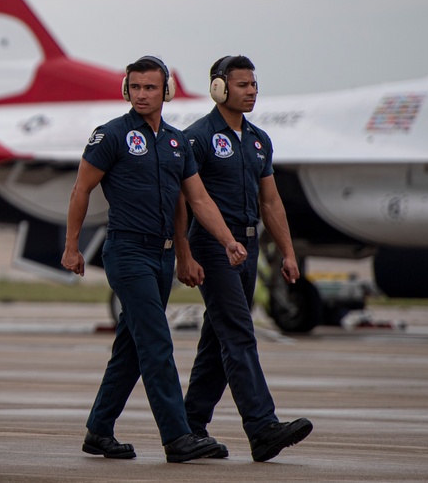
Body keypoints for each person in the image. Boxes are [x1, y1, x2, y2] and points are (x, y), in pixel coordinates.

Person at [61, 56, 248, 463]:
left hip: (162, 256)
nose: (142, 94)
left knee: (132, 347)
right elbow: (81, 190)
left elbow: (196, 199)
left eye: (150, 87)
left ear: (166, 91)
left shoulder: (177, 142)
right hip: (128, 253)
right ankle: (178, 437)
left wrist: (223, 241)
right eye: (135, 87)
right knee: (157, 343)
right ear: (125, 90)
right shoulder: (110, 135)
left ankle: (99, 431)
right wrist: (72, 246)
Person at [175, 55, 313, 462]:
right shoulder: (196, 139)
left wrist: (287, 252)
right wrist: (185, 251)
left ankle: (189, 426)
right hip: (213, 247)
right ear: (219, 88)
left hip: (249, 247)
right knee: (238, 331)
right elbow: (185, 201)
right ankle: (262, 427)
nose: (252, 91)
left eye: (254, 84)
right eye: (242, 85)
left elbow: (270, 201)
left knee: (218, 338)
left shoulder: (258, 140)